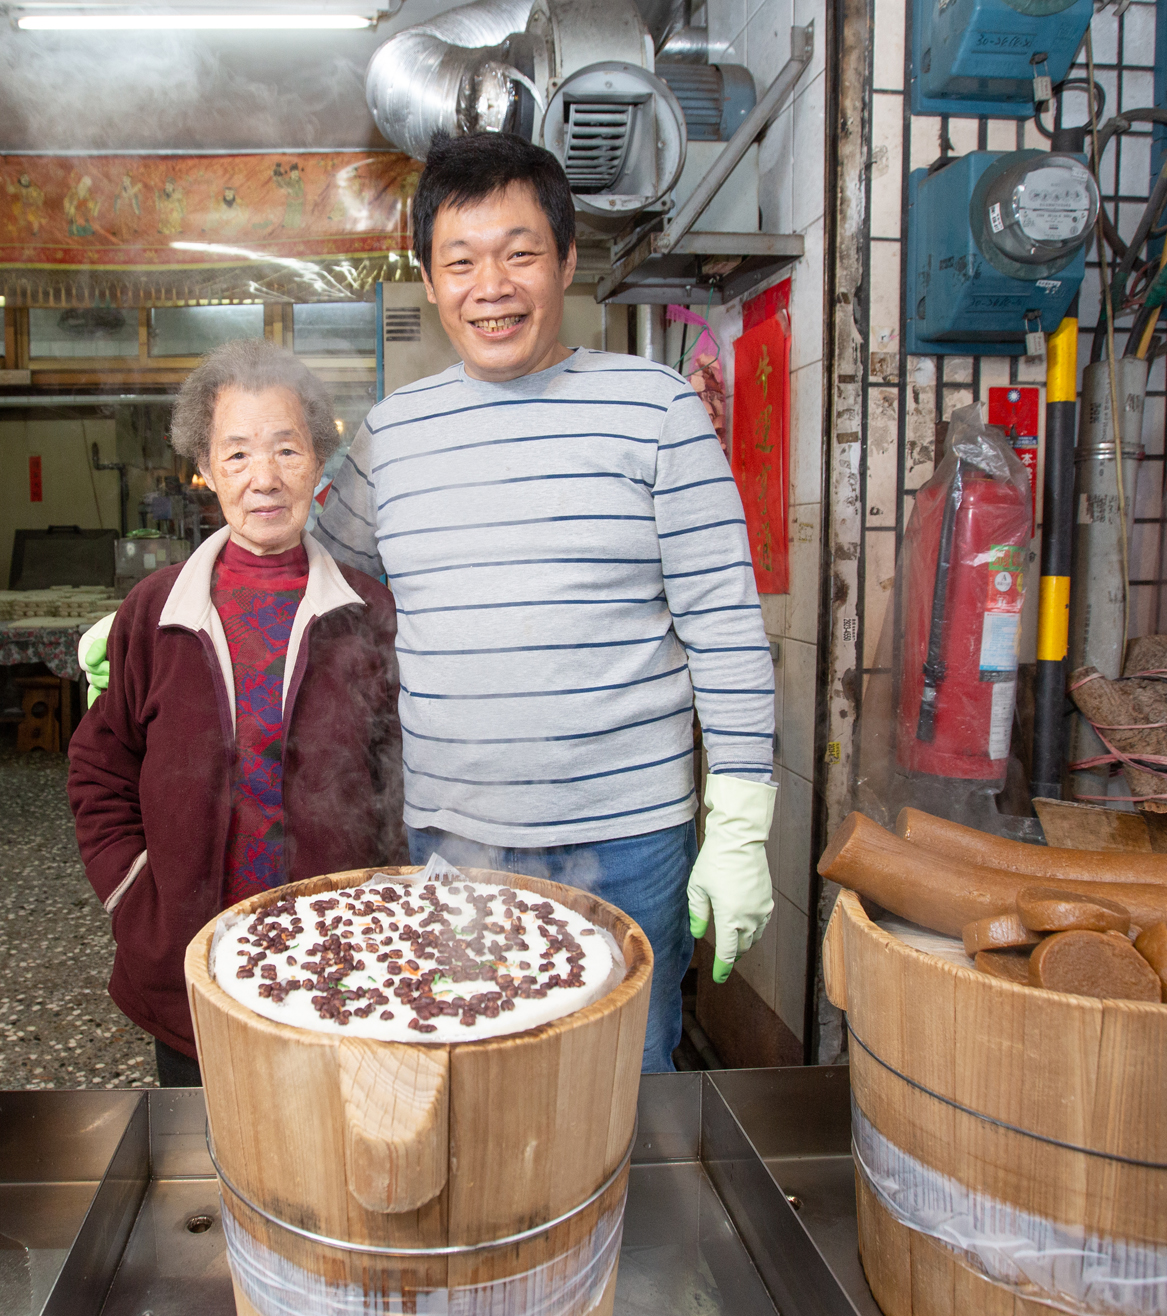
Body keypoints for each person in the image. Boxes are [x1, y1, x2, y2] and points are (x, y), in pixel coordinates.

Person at [310, 132, 778, 1072]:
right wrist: (169, 601)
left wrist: (740, 822)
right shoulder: (390, 438)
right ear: (430, 278)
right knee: (475, 1076)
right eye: (462, 260)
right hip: (454, 836)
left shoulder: (655, 410)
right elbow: (313, 580)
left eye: (520, 253)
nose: (493, 286)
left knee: (620, 1089)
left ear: (567, 260)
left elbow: (725, 625)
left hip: (630, 839)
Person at [66, 339, 404, 1088]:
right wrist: (134, 893)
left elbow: (397, 780)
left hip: (337, 968)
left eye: (286, 449)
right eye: (238, 454)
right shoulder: (156, 611)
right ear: (206, 469)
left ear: (318, 461)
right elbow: (99, 765)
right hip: (189, 969)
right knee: (206, 1154)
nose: (264, 478)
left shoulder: (365, 609)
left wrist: (384, 903)